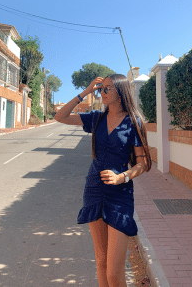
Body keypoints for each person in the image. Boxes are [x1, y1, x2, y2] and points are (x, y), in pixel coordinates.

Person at [54, 74, 152, 287]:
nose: (102, 92)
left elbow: (143, 163)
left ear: (120, 92)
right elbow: (60, 116)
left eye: (107, 88)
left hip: (120, 194)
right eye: (101, 88)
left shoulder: (133, 122)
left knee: (114, 274)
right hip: (94, 189)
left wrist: (122, 177)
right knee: (101, 261)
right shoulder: (96, 118)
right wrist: (85, 92)